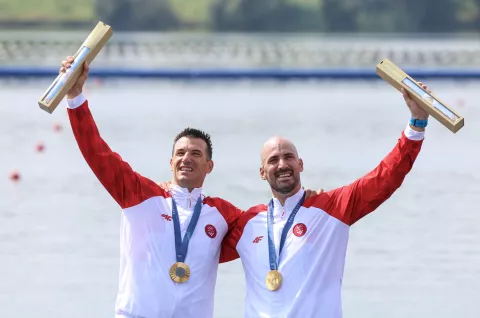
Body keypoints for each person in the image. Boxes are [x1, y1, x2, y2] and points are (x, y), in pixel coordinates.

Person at [59, 56, 320, 318]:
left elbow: (270, 225)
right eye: (181, 152)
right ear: (171, 162)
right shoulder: (138, 194)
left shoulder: (224, 215)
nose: (187, 158)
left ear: (209, 166)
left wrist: (303, 202)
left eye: (196, 153)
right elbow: (97, 153)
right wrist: (75, 96)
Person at [220, 83, 430, 317]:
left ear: (300, 164)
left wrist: (417, 123)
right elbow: (196, 250)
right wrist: (169, 192)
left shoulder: (332, 207)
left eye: (289, 157)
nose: (282, 165)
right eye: (273, 160)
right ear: (261, 173)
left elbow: (385, 177)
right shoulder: (246, 223)